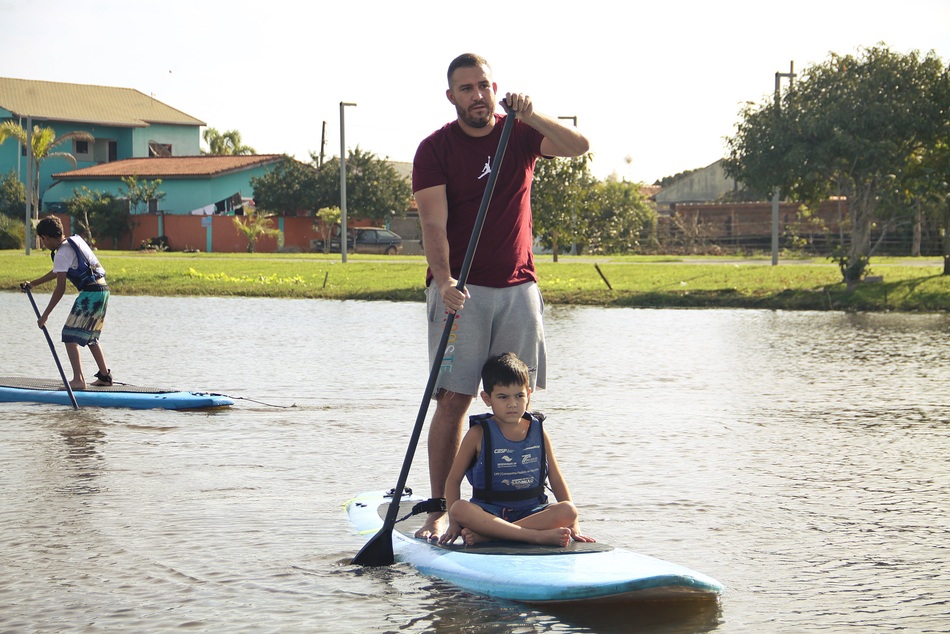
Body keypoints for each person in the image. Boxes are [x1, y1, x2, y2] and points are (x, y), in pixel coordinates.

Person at [412, 53, 590, 540]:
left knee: (515, 400)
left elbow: (579, 146)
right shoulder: (434, 149)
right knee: (454, 400)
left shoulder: (520, 133)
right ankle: (442, 508)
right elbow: (433, 223)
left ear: (496, 89)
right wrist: (444, 281)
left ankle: (521, 509)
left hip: (518, 288)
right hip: (461, 291)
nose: (478, 95)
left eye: (484, 86)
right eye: (466, 88)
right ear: (451, 96)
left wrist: (531, 114)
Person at [439, 353, 594, 547]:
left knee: (568, 510)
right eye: (503, 397)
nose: (512, 404)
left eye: (519, 396)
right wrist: (453, 524)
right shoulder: (477, 434)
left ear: (528, 394)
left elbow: (555, 477)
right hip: (489, 513)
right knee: (459, 509)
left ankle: (492, 535)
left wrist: (574, 523)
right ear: (487, 398)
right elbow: (453, 480)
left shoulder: (539, 432)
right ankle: (534, 536)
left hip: (532, 512)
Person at [21, 215, 113, 390]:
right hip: (103, 290)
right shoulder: (73, 242)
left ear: (46, 238)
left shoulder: (62, 253)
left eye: (42, 240)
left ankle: (78, 380)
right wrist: (34, 283)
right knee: (91, 336)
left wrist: (45, 315)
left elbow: (60, 288)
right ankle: (105, 376)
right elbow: (58, 270)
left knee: (69, 335)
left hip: (91, 293)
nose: (43, 243)